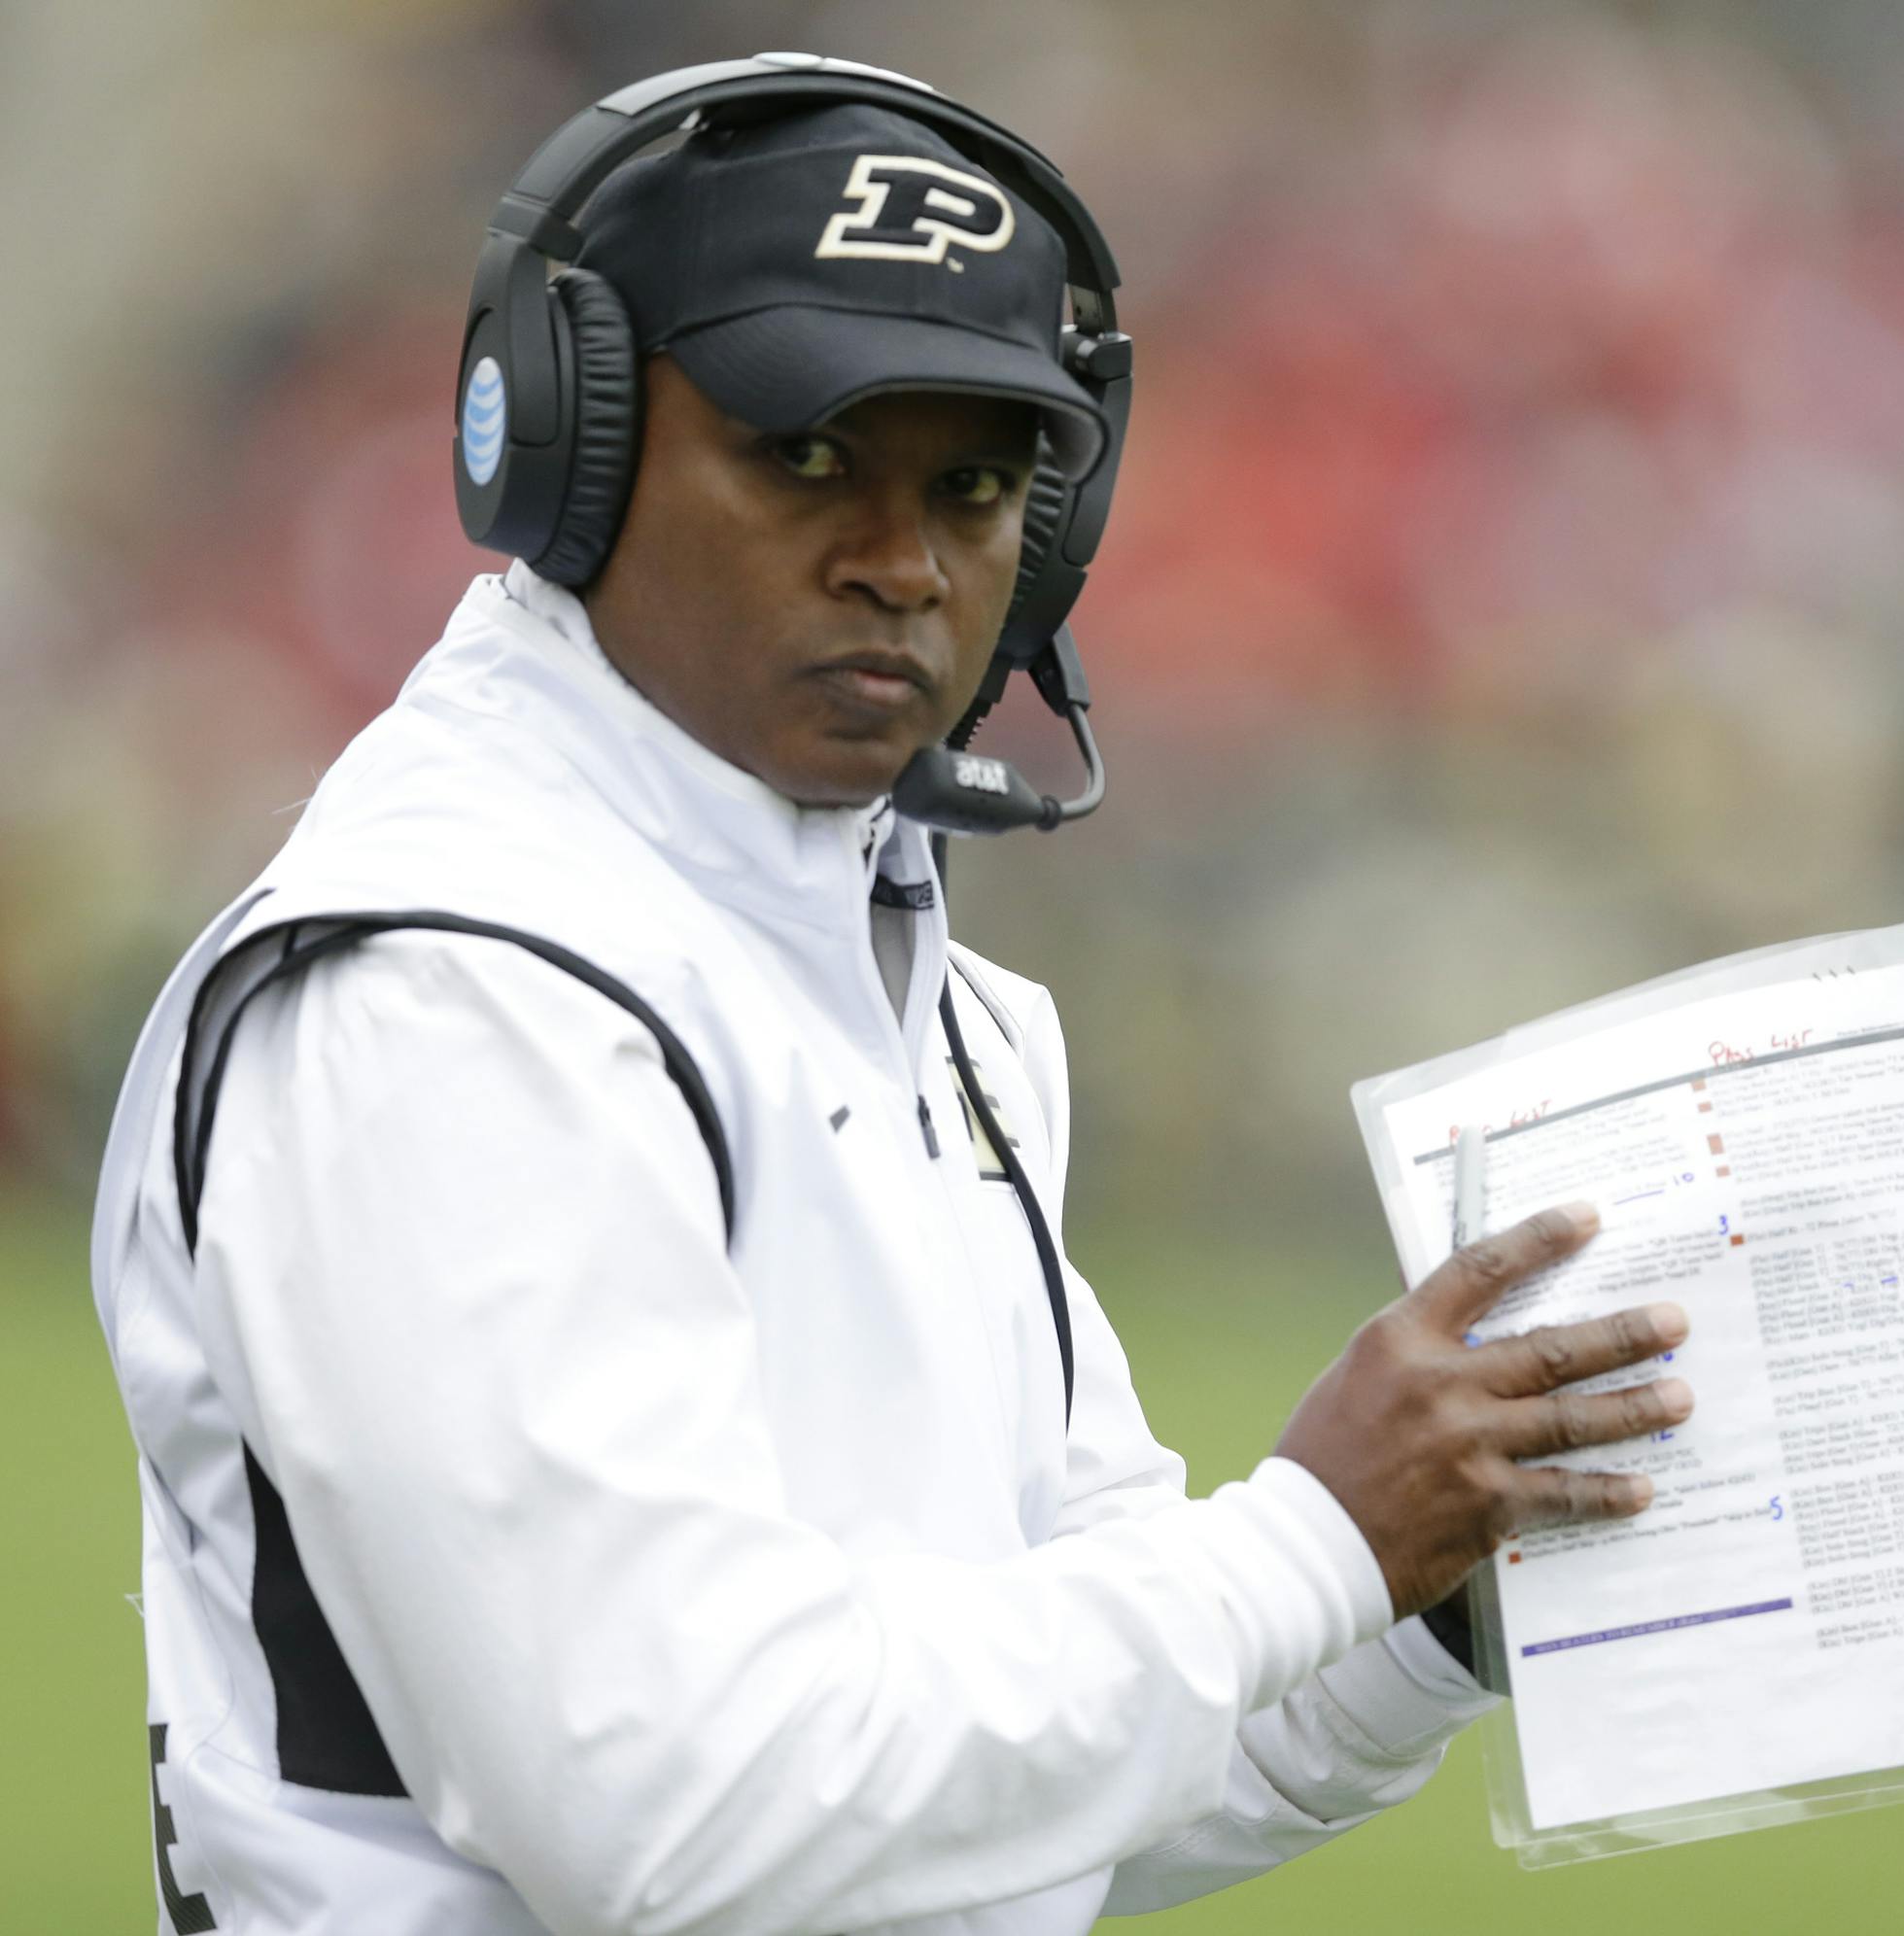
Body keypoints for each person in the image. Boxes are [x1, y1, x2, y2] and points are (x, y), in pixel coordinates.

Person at [90, 60, 1693, 1936]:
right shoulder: (450, 987)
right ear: (568, 450)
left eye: (978, 486)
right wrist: (1310, 1539)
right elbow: (680, 1816)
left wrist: (1418, 1598)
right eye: (806, 454)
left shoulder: (905, 978)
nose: (903, 563)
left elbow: (1047, 1780)